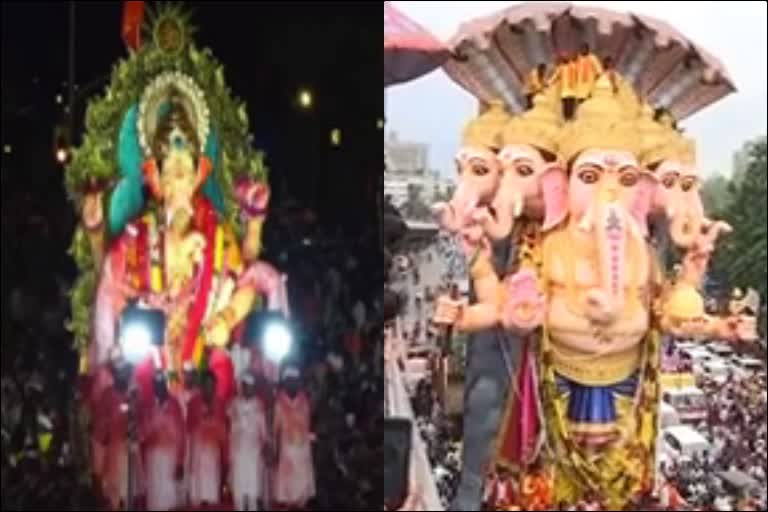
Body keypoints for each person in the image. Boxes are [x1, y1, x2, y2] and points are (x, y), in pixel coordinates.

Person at [92, 359, 144, 510]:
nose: (126, 377)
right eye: (123, 374)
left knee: (131, 496)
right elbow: (99, 433)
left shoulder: (133, 395)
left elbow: (140, 425)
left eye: (128, 374)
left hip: (131, 454)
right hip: (113, 457)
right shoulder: (107, 396)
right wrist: (98, 469)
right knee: (115, 497)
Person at [141, 372, 185, 511]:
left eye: (161, 384)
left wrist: (180, 462)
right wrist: (152, 424)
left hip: (170, 459)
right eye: (156, 384)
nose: (159, 387)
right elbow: (142, 433)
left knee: (170, 496)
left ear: (165, 385)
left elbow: (181, 435)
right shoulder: (147, 405)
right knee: (154, 496)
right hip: (152, 458)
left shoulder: (174, 405)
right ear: (153, 386)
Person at [274, 366, 316, 509]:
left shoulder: (306, 401)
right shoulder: (279, 403)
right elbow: (275, 429)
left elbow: (310, 424)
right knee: (287, 494)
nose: (292, 384)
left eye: (295, 381)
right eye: (289, 381)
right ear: (284, 383)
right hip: (287, 452)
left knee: (303, 494)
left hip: (303, 450)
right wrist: (274, 449)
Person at [187, 371, 229, 507]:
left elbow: (224, 434)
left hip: (213, 457)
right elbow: (189, 430)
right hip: (197, 457)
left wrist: (225, 460)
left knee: (212, 498)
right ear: (201, 385)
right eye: (206, 385)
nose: (209, 388)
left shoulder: (221, 404)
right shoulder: (193, 403)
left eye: (212, 385)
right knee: (197, 498)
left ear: (215, 386)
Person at [229, 371, 268, 511]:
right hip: (237, 454)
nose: (248, 389)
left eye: (251, 386)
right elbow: (229, 428)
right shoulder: (233, 404)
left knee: (253, 493)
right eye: (245, 386)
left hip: (254, 455)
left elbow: (263, 431)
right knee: (239, 494)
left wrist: (265, 447)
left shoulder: (259, 405)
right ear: (241, 386)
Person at [548, 52, 578, 120]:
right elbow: (555, 77)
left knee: (571, 106)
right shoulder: (561, 68)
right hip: (564, 91)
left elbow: (579, 76)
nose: (565, 59)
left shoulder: (573, 66)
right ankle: (566, 120)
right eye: (563, 58)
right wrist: (548, 83)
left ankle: (571, 120)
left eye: (566, 57)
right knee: (565, 107)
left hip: (572, 91)